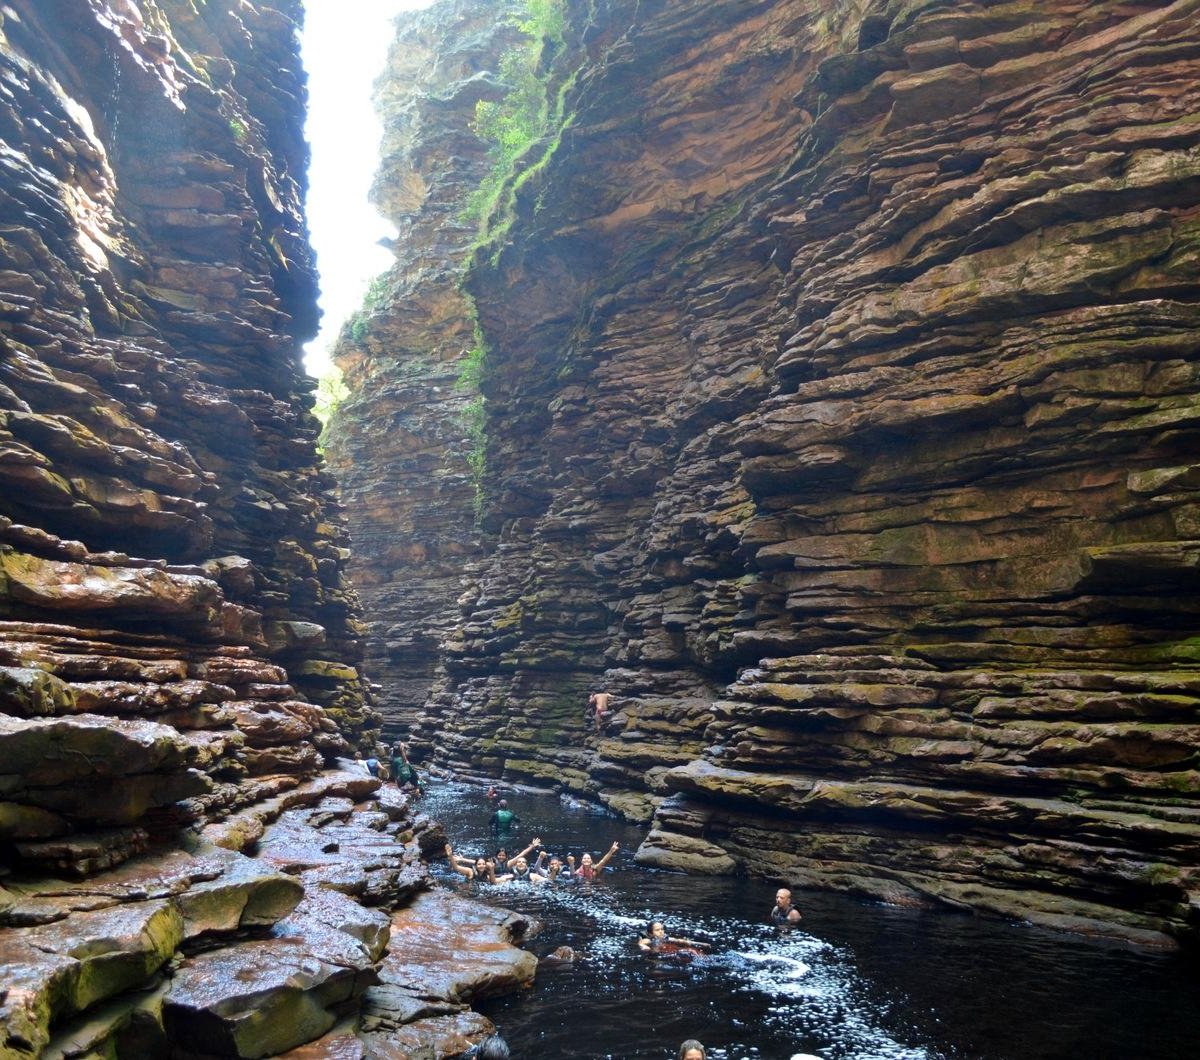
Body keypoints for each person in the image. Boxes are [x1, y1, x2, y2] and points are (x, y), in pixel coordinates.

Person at [638, 920, 710, 955]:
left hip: (669, 951)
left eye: (662, 929)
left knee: (693, 950)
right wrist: (644, 947)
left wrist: (701, 943)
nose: (661, 931)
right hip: (658, 953)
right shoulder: (649, 939)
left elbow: (680, 940)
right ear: (650, 933)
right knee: (689, 951)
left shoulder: (666, 938)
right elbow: (641, 943)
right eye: (657, 930)